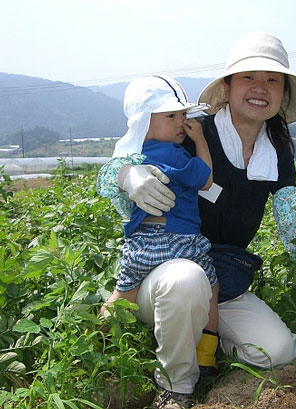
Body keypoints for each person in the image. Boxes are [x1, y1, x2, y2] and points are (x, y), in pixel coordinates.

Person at [97, 32, 296, 409]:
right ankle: (176, 384)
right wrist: (127, 175)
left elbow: (293, 219)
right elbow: (127, 151)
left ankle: (196, 339)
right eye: (248, 77)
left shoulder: (274, 148)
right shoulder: (193, 131)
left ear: (283, 92)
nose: (260, 88)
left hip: (221, 277)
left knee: (276, 351)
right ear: (226, 87)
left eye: (272, 80)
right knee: (186, 279)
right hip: (162, 273)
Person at [99, 75, 222, 380]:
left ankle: (93, 342)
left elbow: (107, 177)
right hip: (181, 240)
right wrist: (201, 141)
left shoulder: (136, 156)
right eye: (171, 115)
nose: (182, 121)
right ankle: (206, 354)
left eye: (183, 114)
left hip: (141, 243)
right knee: (211, 288)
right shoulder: (176, 155)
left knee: (122, 295)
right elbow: (205, 179)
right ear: (144, 122)